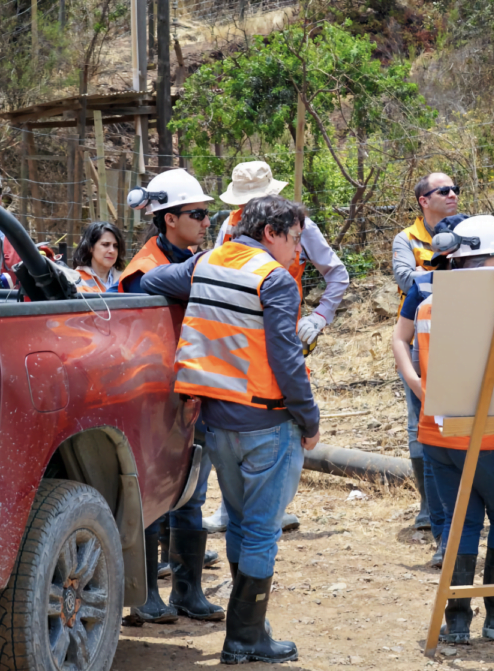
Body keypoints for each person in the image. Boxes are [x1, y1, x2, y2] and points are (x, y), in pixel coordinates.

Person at [142, 195, 320, 664]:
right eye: (295, 239)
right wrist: (309, 417)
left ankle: (249, 633)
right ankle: (245, 639)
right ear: (271, 234)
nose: (297, 252)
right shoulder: (274, 279)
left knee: (240, 523)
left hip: (218, 425)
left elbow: (151, 278)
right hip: (267, 423)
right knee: (261, 532)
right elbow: (285, 357)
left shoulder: (207, 263)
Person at [392, 214, 494, 645]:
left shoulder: (427, 303)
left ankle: (456, 621)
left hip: (438, 435)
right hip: (493, 436)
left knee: (461, 525)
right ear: (487, 258)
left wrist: (416, 385)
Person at [202, 160, 350, 535]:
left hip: (282, 325)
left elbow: (338, 274)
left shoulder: (298, 226)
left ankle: (272, 505)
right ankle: (236, 508)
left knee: (282, 415)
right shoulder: (229, 225)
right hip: (234, 339)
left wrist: (319, 317)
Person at [117, 169, 226, 626]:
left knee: (192, 495)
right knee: (154, 494)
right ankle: (145, 597)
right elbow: (185, 280)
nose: (205, 221)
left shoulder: (186, 256)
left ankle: (188, 592)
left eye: (207, 215)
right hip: (155, 400)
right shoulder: (144, 270)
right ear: (168, 220)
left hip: (190, 393)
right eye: (197, 214)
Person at [392, 172, 458, 538]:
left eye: (455, 190)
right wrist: (440, 266)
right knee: (421, 425)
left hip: (463, 334)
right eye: (443, 191)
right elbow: (406, 280)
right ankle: (428, 507)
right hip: (420, 337)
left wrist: (426, 271)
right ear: (423, 200)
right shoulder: (406, 238)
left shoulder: (465, 229)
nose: (452, 195)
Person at [71, 221, 125, 292]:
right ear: (90, 247)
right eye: (105, 244)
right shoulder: (75, 280)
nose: (112, 250)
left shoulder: (125, 280)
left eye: (116, 246)